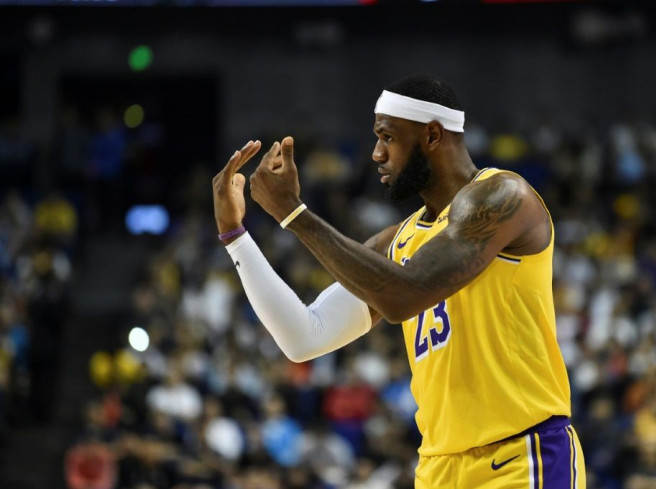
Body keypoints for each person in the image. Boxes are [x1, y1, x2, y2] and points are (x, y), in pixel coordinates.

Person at [212, 75, 585, 488]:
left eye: (387, 137)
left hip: (520, 455)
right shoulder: (396, 241)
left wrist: (295, 215)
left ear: (431, 135)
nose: (376, 153)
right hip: (438, 467)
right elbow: (305, 337)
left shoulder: (503, 197)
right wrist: (235, 236)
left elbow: (407, 295)